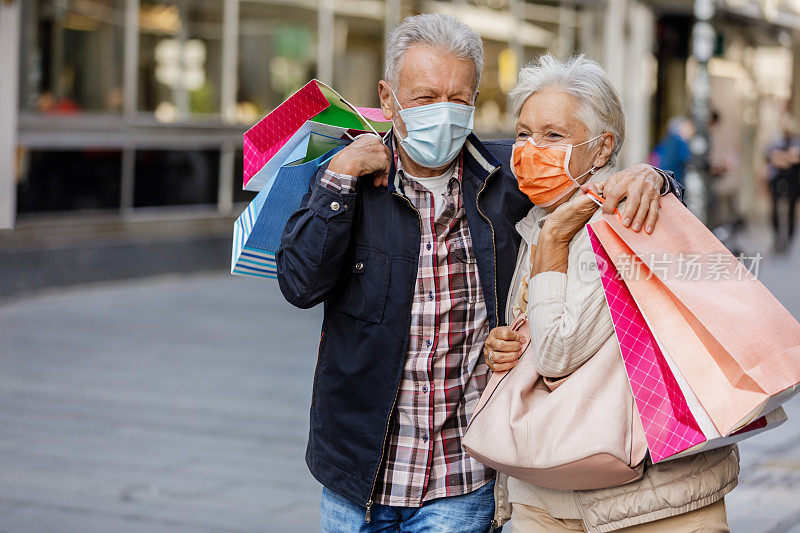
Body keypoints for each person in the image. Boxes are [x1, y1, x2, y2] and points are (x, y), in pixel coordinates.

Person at [276, 14, 679, 532]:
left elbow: (595, 177)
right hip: (359, 476)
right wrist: (337, 177)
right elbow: (299, 284)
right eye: (424, 98)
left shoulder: (508, 178)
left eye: (457, 99)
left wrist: (657, 177)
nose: (441, 114)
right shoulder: (349, 178)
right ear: (388, 95)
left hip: (462, 480)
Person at [482, 55, 738, 532]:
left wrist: (558, 239)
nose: (529, 149)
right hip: (548, 488)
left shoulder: (620, 222)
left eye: (553, 135)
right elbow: (544, 335)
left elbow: (558, 353)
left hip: (653, 503)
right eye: (522, 134)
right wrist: (508, 344)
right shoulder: (537, 218)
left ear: (601, 150)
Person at [765, 114, 800, 254]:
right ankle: (777, 237)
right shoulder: (775, 141)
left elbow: (794, 158)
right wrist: (787, 157)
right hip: (777, 179)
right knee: (774, 209)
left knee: (791, 210)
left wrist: (783, 157)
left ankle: (789, 239)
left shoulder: (796, 142)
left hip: (793, 180)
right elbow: (773, 158)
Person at [649, 116, 694, 187]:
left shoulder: (668, 139)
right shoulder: (679, 141)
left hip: (662, 175)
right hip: (672, 178)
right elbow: (687, 158)